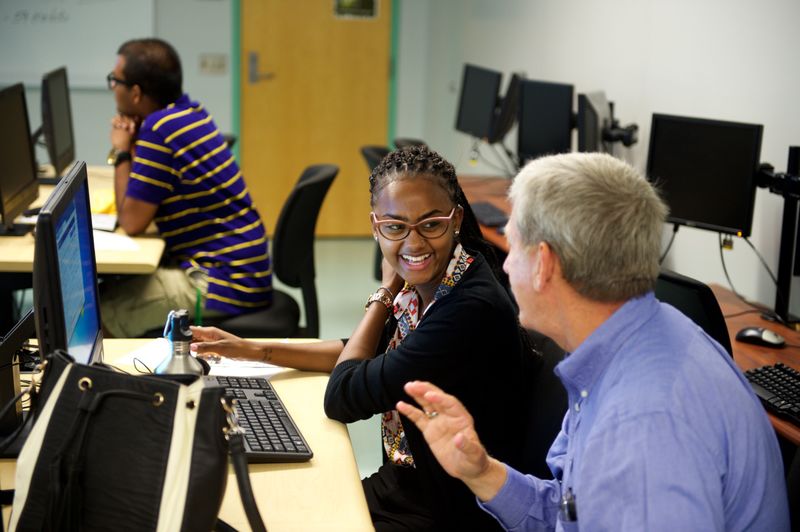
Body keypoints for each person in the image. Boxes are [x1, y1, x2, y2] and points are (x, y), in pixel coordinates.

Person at [397, 152, 791, 531]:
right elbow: (573, 512)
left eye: (513, 245)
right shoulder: (631, 341)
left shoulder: (644, 427)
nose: (506, 263)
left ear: (544, 265)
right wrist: (482, 472)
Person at [192, 145, 536, 530]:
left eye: (431, 224)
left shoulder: (468, 308)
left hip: (445, 510)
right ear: (375, 226)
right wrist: (256, 350)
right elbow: (366, 352)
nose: (415, 243)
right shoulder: (443, 277)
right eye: (395, 227)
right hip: (407, 484)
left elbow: (343, 396)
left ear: (455, 219)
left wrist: (384, 293)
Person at [102, 38, 272, 337]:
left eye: (115, 80)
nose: (113, 87)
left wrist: (121, 151)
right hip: (244, 270)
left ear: (137, 93)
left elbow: (131, 222)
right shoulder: (188, 112)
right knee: (105, 293)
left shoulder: (159, 130)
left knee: (94, 315)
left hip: (221, 282)